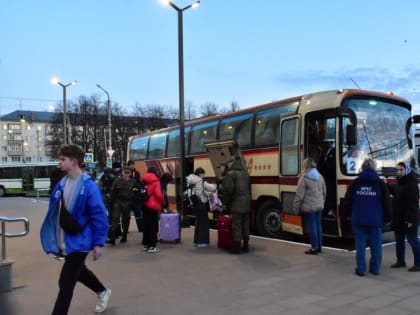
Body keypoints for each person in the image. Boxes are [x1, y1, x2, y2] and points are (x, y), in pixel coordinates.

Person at [40, 144, 111, 314]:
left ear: (74, 162)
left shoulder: (89, 186)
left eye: (63, 159)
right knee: (79, 273)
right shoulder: (62, 184)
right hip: (67, 239)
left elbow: (99, 216)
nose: (60, 163)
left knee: (66, 282)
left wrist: (99, 243)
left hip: (81, 240)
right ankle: (102, 291)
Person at [342, 158, 392, 276]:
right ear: (374, 168)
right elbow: (386, 202)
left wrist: (347, 215)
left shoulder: (356, 182)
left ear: (362, 167)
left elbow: (347, 201)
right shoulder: (380, 183)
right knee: (376, 245)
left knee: (360, 245)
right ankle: (375, 268)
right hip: (375, 219)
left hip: (358, 219)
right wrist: (388, 218)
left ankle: (361, 269)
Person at [390, 161, 420, 271]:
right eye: (397, 170)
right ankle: (400, 261)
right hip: (399, 218)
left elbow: (413, 203)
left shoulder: (412, 184)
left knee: (413, 240)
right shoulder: (400, 182)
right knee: (399, 240)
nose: (399, 172)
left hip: (408, 219)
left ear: (407, 169)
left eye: (401, 170)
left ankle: (418, 263)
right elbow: (394, 190)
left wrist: (411, 219)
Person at [293, 157, 326, 255]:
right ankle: (319, 247)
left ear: (305, 165)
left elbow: (299, 195)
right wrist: (322, 201)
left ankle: (314, 248)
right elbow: (324, 191)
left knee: (312, 227)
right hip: (319, 205)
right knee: (318, 225)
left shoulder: (304, 178)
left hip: (309, 206)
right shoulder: (320, 176)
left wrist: (296, 208)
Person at [222, 157, 251, 254]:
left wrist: (225, 202)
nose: (227, 166)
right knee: (245, 225)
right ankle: (246, 246)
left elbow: (228, 190)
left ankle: (237, 248)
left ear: (231, 164)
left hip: (237, 204)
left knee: (237, 226)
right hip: (247, 203)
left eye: (228, 164)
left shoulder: (231, 174)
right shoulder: (245, 174)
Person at [186, 167, 216, 247]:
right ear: (200, 174)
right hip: (202, 204)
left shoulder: (191, 181)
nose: (204, 175)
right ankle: (202, 242)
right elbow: (213, 188)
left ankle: (196, 241)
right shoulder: (201, 181)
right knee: (204, 223)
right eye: (203, 174)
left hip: (196, 204)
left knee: (198, 222)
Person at [107, 166, 136, 245]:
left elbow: (135, 192)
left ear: (130, 173)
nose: (126, 174)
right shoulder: (117, 180)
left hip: (127, 202)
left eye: (128, 173)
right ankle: (112, 238)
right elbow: (112, 190)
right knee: (115, 219)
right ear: (122, 172)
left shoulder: (133, 182)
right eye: (125, 172)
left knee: (126, 220)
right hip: (118, 201)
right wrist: (110, 201)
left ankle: (124, 235)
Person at [142, 166, 164, 253]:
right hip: (153, 206)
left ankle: (146, 245)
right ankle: (152, 246)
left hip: (144, 205)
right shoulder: (156, 181)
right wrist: (162, 201)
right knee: (153, 227)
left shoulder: (144, 180)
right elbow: (158, 194)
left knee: (146, 226)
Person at [127, 160, 143, 232]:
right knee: (127, 215)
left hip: (136, 197)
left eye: (133, 164)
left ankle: (141, 228)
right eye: (131, 165)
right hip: (128, 197)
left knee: (138, 213)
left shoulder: (136, 173)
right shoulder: (126, 173)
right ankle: (126, 229)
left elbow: (138, 182)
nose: (132, 166)